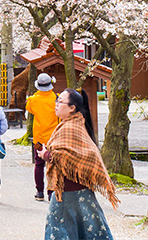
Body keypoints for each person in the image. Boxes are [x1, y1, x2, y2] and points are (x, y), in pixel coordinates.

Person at [39, 89, 117, 240]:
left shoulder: (70, 127)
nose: (56, 104)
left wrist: (46, 155)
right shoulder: (74, 124)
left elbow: (65, 158)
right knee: (91, 232)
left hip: (66, 192)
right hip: (81, 192)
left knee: (59, 233)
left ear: (72, 108)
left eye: (60, 101)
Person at [26, 73, 59, 201]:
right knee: (52, 164)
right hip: (53, 138)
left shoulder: (33, 100)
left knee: (38, 164)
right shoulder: (56, 98)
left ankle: (39, 191)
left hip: (38, 138)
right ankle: (51, 192)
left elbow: (30, 109)